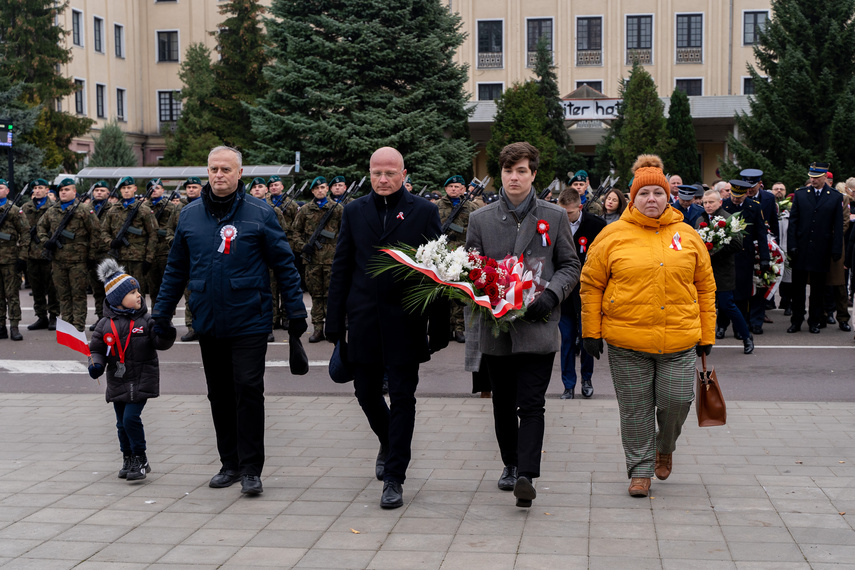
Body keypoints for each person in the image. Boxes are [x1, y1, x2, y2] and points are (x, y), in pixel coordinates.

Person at [152, 146, 308, 495]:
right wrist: (161, 314)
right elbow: (175, 269)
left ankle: (252, 469)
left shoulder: (260, 212)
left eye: (226, 169)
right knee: (219, 394)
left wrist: (296, 312)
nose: (218, 175)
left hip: (249, 317)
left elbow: (284, 264)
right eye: (213, 169)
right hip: (208, 319)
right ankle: (230, 464)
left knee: (248, 390)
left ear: (240, 174)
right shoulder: (189, 215)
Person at [580, 154, 716, 498]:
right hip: (627, 341)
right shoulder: (611, 236)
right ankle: (640, 470)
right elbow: (591, 284)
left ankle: (664, 445)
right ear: (632, 198)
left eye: (657, 192)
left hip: (680, 340)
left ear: (667, 196)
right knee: (636, 409)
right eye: (644, 194)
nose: (651, 199)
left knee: (677, 401)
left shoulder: (688, 235)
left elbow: (705, 286)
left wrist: (708, 334)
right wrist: (590, 332)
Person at [325, 147, 449, 509]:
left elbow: (439, 270)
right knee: (365, 393)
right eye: (377, 173)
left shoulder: (423, 211)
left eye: (390, 173)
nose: (383, 179)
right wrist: (334, 324)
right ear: (369, 173)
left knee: (404, 398)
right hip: (362, 321)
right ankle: (389, 440)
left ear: (404, 174)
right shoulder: (354, 211)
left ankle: (394, 477)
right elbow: (342, 268)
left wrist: (439, 325)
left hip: (405, 322)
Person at [466, 142, 579, 508]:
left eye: (522, 171)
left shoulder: (554, 216)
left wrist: (551, 296)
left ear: (533, 174)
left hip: (538, 326)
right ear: (501, 173)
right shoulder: (480, 219)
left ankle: (527, 475)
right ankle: (511, 464)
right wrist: (483, 289)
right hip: (497, 329)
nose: (514, 178)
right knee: (502, 403)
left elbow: (569, 265)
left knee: (531, 404)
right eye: (508, 171)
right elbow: (467, 269)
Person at [88, 259, 175, 481]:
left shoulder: (146, 320)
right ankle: (127, 457)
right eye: (132, 292)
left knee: (130, 419)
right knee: (120, 423)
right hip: (118, 379)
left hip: (140, 378)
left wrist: (166, 332)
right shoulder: (104, 324)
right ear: (118, 299)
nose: (138, 295)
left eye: (138, 291)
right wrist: (96, 365)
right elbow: (97, 348)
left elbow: (160, 342)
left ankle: (141, 458)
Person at [37, 179, 106, 332]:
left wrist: (91, 256)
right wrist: (46, 241)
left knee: (78, 295)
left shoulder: (84, 210)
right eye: (61, 190)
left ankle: (78, 326)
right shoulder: (52, 210)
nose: (63, 192)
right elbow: (40, 226)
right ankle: (67, 326)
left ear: (74, 192)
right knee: (63, 295)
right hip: (58, 260)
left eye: (67, 190)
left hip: (78, 261)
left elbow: (96, 232)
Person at [556, 187, 605, 399]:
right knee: (567, 340)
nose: (565, 216)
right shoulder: (553, 224)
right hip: (564, 293)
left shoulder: (597, 225)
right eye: (561, 212)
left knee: (587, 338)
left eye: (569, 213)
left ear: (580, 207)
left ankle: (587, 379)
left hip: (588, 293)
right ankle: (568, 385)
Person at [787, 162, 844, 334]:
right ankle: (796, 320)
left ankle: (815, 321)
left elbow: (838, 225)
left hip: (822, 249)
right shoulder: (801, 194)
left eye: (817, 178)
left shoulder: (834, 197)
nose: (813, 180)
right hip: (801, 248)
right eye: (811, 177)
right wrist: (792, 245)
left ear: (825, 177)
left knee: (818, 289)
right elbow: (793, 222)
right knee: (798, 289)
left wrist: (836, 249)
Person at [695, 189, 753, 354]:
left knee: (728, 306)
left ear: (719, 202)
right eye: (705, 202)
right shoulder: (700, 219)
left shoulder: (728, 219)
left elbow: (737, 244)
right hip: (704, 272)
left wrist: (714, 252)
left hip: (723, 271)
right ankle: (705, 341)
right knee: (705, 307)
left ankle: (746, 337)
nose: (708, 205)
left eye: (711, 202)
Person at [292, 176, 342, 343]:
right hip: (312, 260)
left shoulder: (337, 209)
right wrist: (303, 246)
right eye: (316, 188)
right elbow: (294, 233)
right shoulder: (305, 210)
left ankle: (331, 328)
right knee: (316, 296)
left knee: (331, 296)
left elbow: (345, 233)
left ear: (327, 189)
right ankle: (318, 329)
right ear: (312, 191)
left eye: (322, 187)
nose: (320, 190)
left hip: (331, 260)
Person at [719, 179, 769, 339]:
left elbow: (761, 234)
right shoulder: (724, 206)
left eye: (739, 197)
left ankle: (739, 328)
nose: (735, 199)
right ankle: (721, 325)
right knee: (725, 293)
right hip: (726, 257)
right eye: (733, 195)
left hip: (744, 257)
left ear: (746, 194)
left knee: (742, 295)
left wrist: (764, 258)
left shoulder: (754, 207)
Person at [437, 174, 477, 343]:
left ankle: (460, 328)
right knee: (443, 293)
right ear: (445, 189)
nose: (454, 189)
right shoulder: (436, 206)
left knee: (460, 293)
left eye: (457, 187)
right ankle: (445, 328)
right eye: (450, 186)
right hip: (442, 255)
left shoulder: (471, 207)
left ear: (463, 189)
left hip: (463, 255)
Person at [103, 177, 158, 288]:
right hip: (119, 258)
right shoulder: (113, 210)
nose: (126, 190)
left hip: (138, 258)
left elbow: (153, 234)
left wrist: (148, 259)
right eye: (123, 188)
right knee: (121, 290)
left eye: (129, 187)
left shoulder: (144, 210)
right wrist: (111, 242)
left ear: (135, 189)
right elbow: (103, 231)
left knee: (137, 290)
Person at [23, 178, 60, 331]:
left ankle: (53, 316)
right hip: (31, 254)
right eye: (35, 188)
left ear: (47, 190)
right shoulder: (26, 207)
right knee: (36, 288)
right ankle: (41, 317)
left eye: (40, 187)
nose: (37, 190)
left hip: (48, 253)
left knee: (52, 288)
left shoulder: (53, 207)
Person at [0, 179, 30, 341]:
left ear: (7, 191)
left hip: (10, 260)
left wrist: (22, 257)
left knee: (12, 295)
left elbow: (25, 234)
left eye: (1, 188)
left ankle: (14, 327)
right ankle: (1, 327)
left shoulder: (14, 210)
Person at [177, 177, 203, 342]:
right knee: (189, 295)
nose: (191, 190)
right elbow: (172, 231)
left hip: (203, 257)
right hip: (187, 258)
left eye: (194, 187)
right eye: (189, 187)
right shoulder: (180, 208)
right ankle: (191, 327)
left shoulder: (206, 206)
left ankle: (204, 326)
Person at [145, 179, 177, 308]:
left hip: (165, 252)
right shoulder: (143, 207)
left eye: (157, 188)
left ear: (163, 190)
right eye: (151, 188)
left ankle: (167, 317)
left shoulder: (170, 207)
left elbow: (174, 227)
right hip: (149, 253)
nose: (154, 190)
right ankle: (155, 314)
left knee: (167, 287)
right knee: (153, 288)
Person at [86, 180, 112, 328]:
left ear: (108, 193)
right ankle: (100, 317)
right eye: (97, 191)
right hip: (91, 254)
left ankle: (111, 318)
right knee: (96, 290)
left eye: (102, 191)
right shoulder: (85, 208)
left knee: (109, 288)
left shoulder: (114, 209)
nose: (99, 193)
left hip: (107, 254)